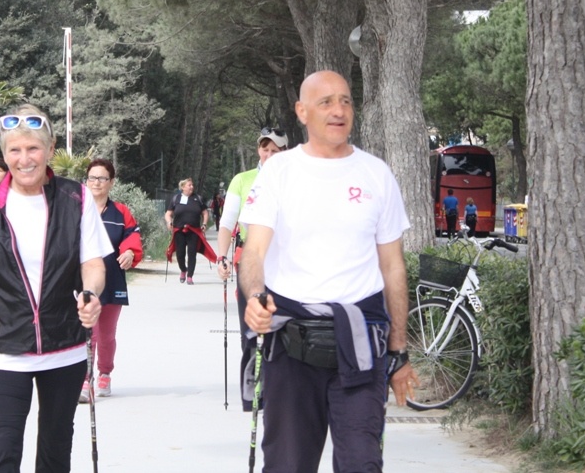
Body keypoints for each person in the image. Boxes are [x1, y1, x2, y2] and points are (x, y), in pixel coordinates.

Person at [239, 70, 419, 473]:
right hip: (290, 341)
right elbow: (254, 253)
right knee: (287, 465)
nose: (339, 110)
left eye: (346, 101)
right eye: (326, 102)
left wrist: (399, 350)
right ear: (302, 112)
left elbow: (393, 267)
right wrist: (255, 297)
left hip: (360, 341)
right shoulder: (279, 172)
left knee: (362, 464)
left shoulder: (376, 173)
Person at [0, 104, 110, 473]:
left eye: (33, 148)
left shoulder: (77, 199)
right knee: (3, 453)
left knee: (55, 454)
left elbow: (93, 265)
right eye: (15, 150)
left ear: (50, 149)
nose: (24, 159)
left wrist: (91, 294)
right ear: (4, 154)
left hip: (64, 349)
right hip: (5, 351)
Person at [216, 127, 288, 391]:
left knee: (282, 324)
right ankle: (254, 385)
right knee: (251, 324)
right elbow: (227, 223)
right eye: (264, 149)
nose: (268, 155)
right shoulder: (242, 180)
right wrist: (221, 257)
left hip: (284, 262)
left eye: (275, 151)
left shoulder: (293, 178)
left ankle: (280, 382)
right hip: (251, 259)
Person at [79, 158, 143, 403]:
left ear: (111, 182)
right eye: (92, 178)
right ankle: (86, 379)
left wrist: (129, 252)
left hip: (113, 279)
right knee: (89, 332)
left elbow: (131, 236)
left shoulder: (121, 212)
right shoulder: (76, 209)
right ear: (86, 181)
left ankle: (105, 373)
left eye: (102, 178)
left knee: (106, 335)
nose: (97, 182)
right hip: (83, 281)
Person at [164, 177, 214, 284]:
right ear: (183, 187)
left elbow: (205, 213)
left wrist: (204, 224)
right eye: (189, 185)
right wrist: (169, 222)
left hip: (194, 230)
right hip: (179, 230)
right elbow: (168, 214)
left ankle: (190, 276)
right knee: (180, 254)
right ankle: (183, 269)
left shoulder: (198, 198)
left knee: (192, 253)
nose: (192, 187)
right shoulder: (176, 198)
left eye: (192, 185)